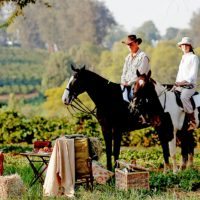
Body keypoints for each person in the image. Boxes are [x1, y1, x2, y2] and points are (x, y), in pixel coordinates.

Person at [174, 37, 199, 131]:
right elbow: (180, 74)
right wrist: (176, 84)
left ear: (190, 46)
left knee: (183, 97)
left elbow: (192, 75)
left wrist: (182, 82)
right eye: (183, 45)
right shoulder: (183, 58)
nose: (184, 46)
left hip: (190, 86)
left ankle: (193, 121)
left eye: (186, 45)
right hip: (180, 85)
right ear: (180, 47)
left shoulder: (194, 58)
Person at [121, 35, 150, 100]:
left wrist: (128, 83)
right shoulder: (127, 57)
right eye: (127, 45)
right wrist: (123, 82)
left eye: (131, 44)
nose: (129, 46)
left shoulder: (143, 57)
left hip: (139, 87)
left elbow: (140, 75)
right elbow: (124, 72)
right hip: (126, 85)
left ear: (136, 43)